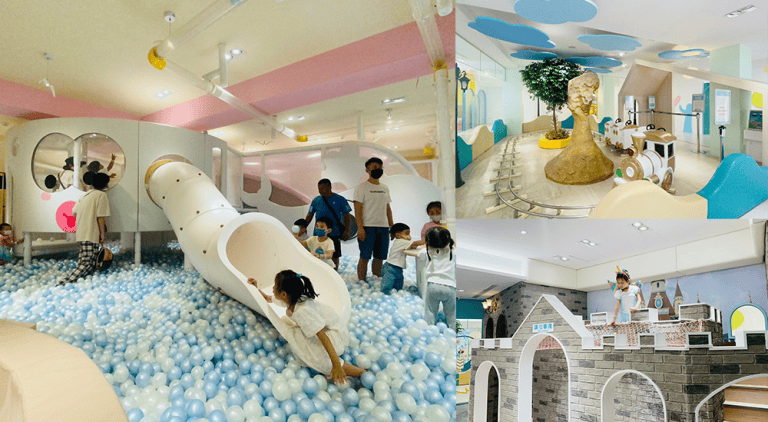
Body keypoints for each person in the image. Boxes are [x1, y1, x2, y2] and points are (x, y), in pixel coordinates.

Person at [246, 270, 365, 385]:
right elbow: (267, 298)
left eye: (275, 285)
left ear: (284, 294)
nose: (272, 288)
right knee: (293, 332)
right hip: (329, 330)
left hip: (334, 337)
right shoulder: (291, 298)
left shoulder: (302, 311)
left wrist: (336, 364)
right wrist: (255, 288)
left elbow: (323, 337)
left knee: (308, 351)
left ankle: (360, 373)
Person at [59, 172, 110, 285]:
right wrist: (102, 234)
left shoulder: (84, 195)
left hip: (81, 232)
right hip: (90, 233)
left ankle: (80, 282)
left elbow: (74, 212)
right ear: (105, 184)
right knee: (87, 263)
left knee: (84, 261)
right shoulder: (101, 195)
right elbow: (100, 217)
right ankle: (66, 282)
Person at [353, 157, 393, 282]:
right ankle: (361, 281)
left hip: (383, 228)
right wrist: (360, 228)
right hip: (367, 227)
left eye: (380, 167)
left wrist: (392, 227)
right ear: (367, 170)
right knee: (365, 256)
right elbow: (357, 210)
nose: (378, 169)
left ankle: (377, 279)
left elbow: (388, 208)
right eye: (374, 167)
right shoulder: (361, 188)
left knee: (380, 257)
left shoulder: (385, 188)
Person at [305, 179, 352, 271]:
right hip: (318, 234)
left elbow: (347, 216)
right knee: (316, 254)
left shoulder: (340, 199)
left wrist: (347, 230)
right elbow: (309, 215)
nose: (320, 191)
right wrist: (304, 227)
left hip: (334, 233)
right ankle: (317, 272)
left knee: (334, 255)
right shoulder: (316, 200)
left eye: (323, 188)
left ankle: (334, 272)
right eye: (319, 189)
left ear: (329, 187)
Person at [422, 226, 456, 330]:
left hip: (433, 286)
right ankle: (453, 330)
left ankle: (429, 330)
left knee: (430, 312)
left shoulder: (427, 251)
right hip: (450, 287)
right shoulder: (453, 251)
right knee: (452, 314)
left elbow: (416, 254)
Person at [382, 223, 425, 294]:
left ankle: (397, 291)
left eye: (409, 233)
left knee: (399, 281)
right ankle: (384, 293)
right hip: (391, 267)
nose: (409, 236)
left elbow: (412, 247)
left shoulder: (403, 242)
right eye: (406, 233)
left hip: (397, 267)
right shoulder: (400, 241)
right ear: (398, 235)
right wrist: (427, 241)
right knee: (388, 282)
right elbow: (416, 243)